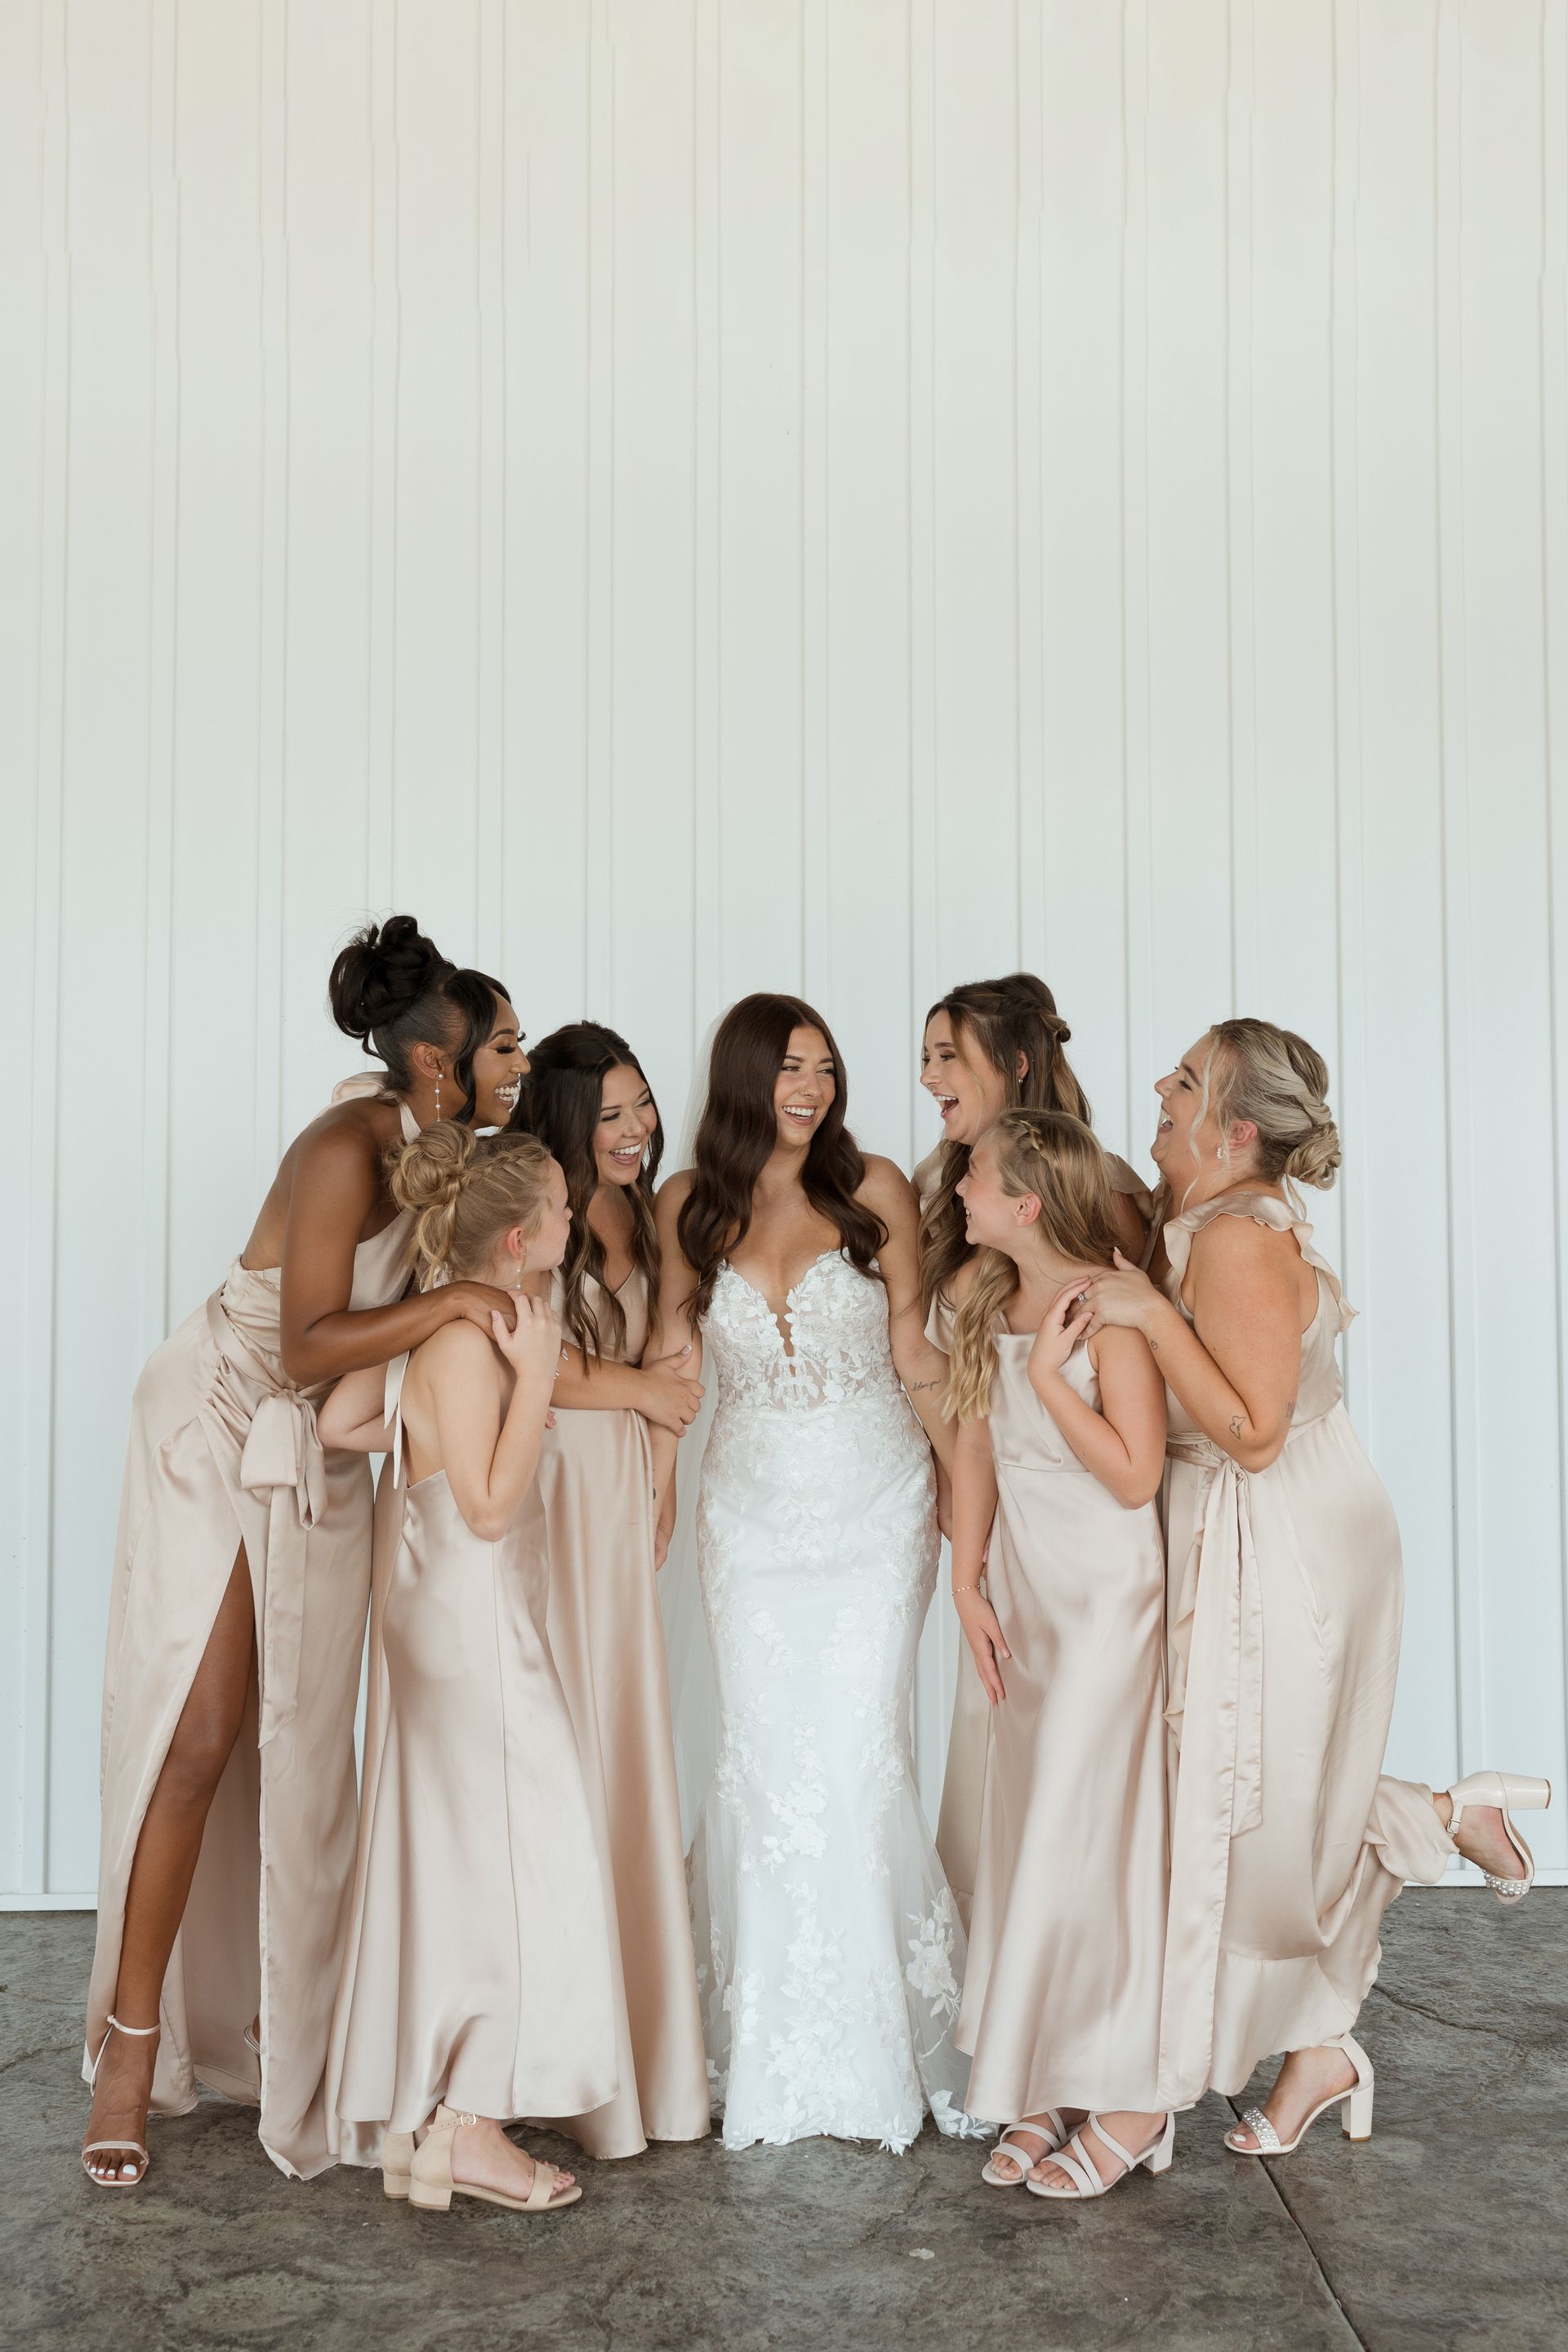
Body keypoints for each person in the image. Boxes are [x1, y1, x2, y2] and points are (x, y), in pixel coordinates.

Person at [82, 917, 528, 2188]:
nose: (517, 1060)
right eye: (501, 1043)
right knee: (204, 1727)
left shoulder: (462, 1154)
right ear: (435, 1065)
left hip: (323, 1455)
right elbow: (303, 1345)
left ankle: (297, 2036)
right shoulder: (345, 1150)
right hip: (223, 1420)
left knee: (307, 1748)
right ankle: (130, 2046)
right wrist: (443, 1303)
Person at [1084, 1019, 1551, 2156]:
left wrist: (1145, 1312)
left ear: (1237, 1130)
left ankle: (1433, 1828)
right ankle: (1331, 2036)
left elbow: (1251, 1433)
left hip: (1285, 1534)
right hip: (1260, 1524)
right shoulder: (1198, 1219)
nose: (1158, 1084)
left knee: (1257, 1811)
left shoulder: (1238, 1241)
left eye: (1185, 1081)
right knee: (1259, 1797)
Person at [652, 994, 978, 2152]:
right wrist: (649, 1497)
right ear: (745, 1076)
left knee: (852, 1758)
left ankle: (878, 2047)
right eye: (790, 1067)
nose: (813, 1087)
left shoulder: (875, 1186)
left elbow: (919, 1355)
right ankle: (761, 2045)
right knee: (763, 1762)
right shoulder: (686, 1206)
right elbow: (669, 1362)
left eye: (826, 1067)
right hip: (746, 1519)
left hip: (875, 1508)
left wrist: (974, 1506)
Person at [321, 1125, 617, 2217]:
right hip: (476, 1616)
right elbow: (491, 1510)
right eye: (563, 1209)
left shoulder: (436, 1327)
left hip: (422, 1613)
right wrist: (535, 1376)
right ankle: (470, 2124)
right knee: (520, 1858)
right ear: (520, 1239)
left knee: (459, 1857)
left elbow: (350, 1418)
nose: (576, 1222)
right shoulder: (481, 1342)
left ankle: (439, 2118)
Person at [946, 1111, 1171, 2202]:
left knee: (1087, 1837)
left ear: (1027, 1203)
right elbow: (974, 1452)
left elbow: (1135, 1477)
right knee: (1031, 1827)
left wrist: (1049, 1383)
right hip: (1028, 1595)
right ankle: (1042, 2069)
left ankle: (1128, 2083)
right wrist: (965, 1579)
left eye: (975, 1177)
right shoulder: (990, 1296)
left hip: (1103, 1599)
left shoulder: (1105, 1310)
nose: (958, 1188)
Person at [915, 973, 1152, 1927]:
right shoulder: (949, 1187)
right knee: (997, 1744)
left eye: (947, 1056)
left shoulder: (1106, 1201)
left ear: (1015, 1065)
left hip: (1088, 1527)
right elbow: (961, 1385)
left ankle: (1081, 1992)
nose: (929, 1076)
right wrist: (961, 1524)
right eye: (927, 1054)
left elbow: (1132, 1381)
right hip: (995, 1519)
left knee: (1078, 1767)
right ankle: (999, 1987)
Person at [510, 1022, 710, 2156]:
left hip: (624, 1483)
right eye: (613, 1113)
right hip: (551, 1483)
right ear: (566, 1115)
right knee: (563, 1738)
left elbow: (675, 1358)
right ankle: (548, 2045)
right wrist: (636, 1397)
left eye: (641, 1107)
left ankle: (631, 2043)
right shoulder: (536, 1195)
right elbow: (531, 1353)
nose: (634, 1130)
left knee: (625, 1737)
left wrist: (664, 1460)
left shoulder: (645, 1210)